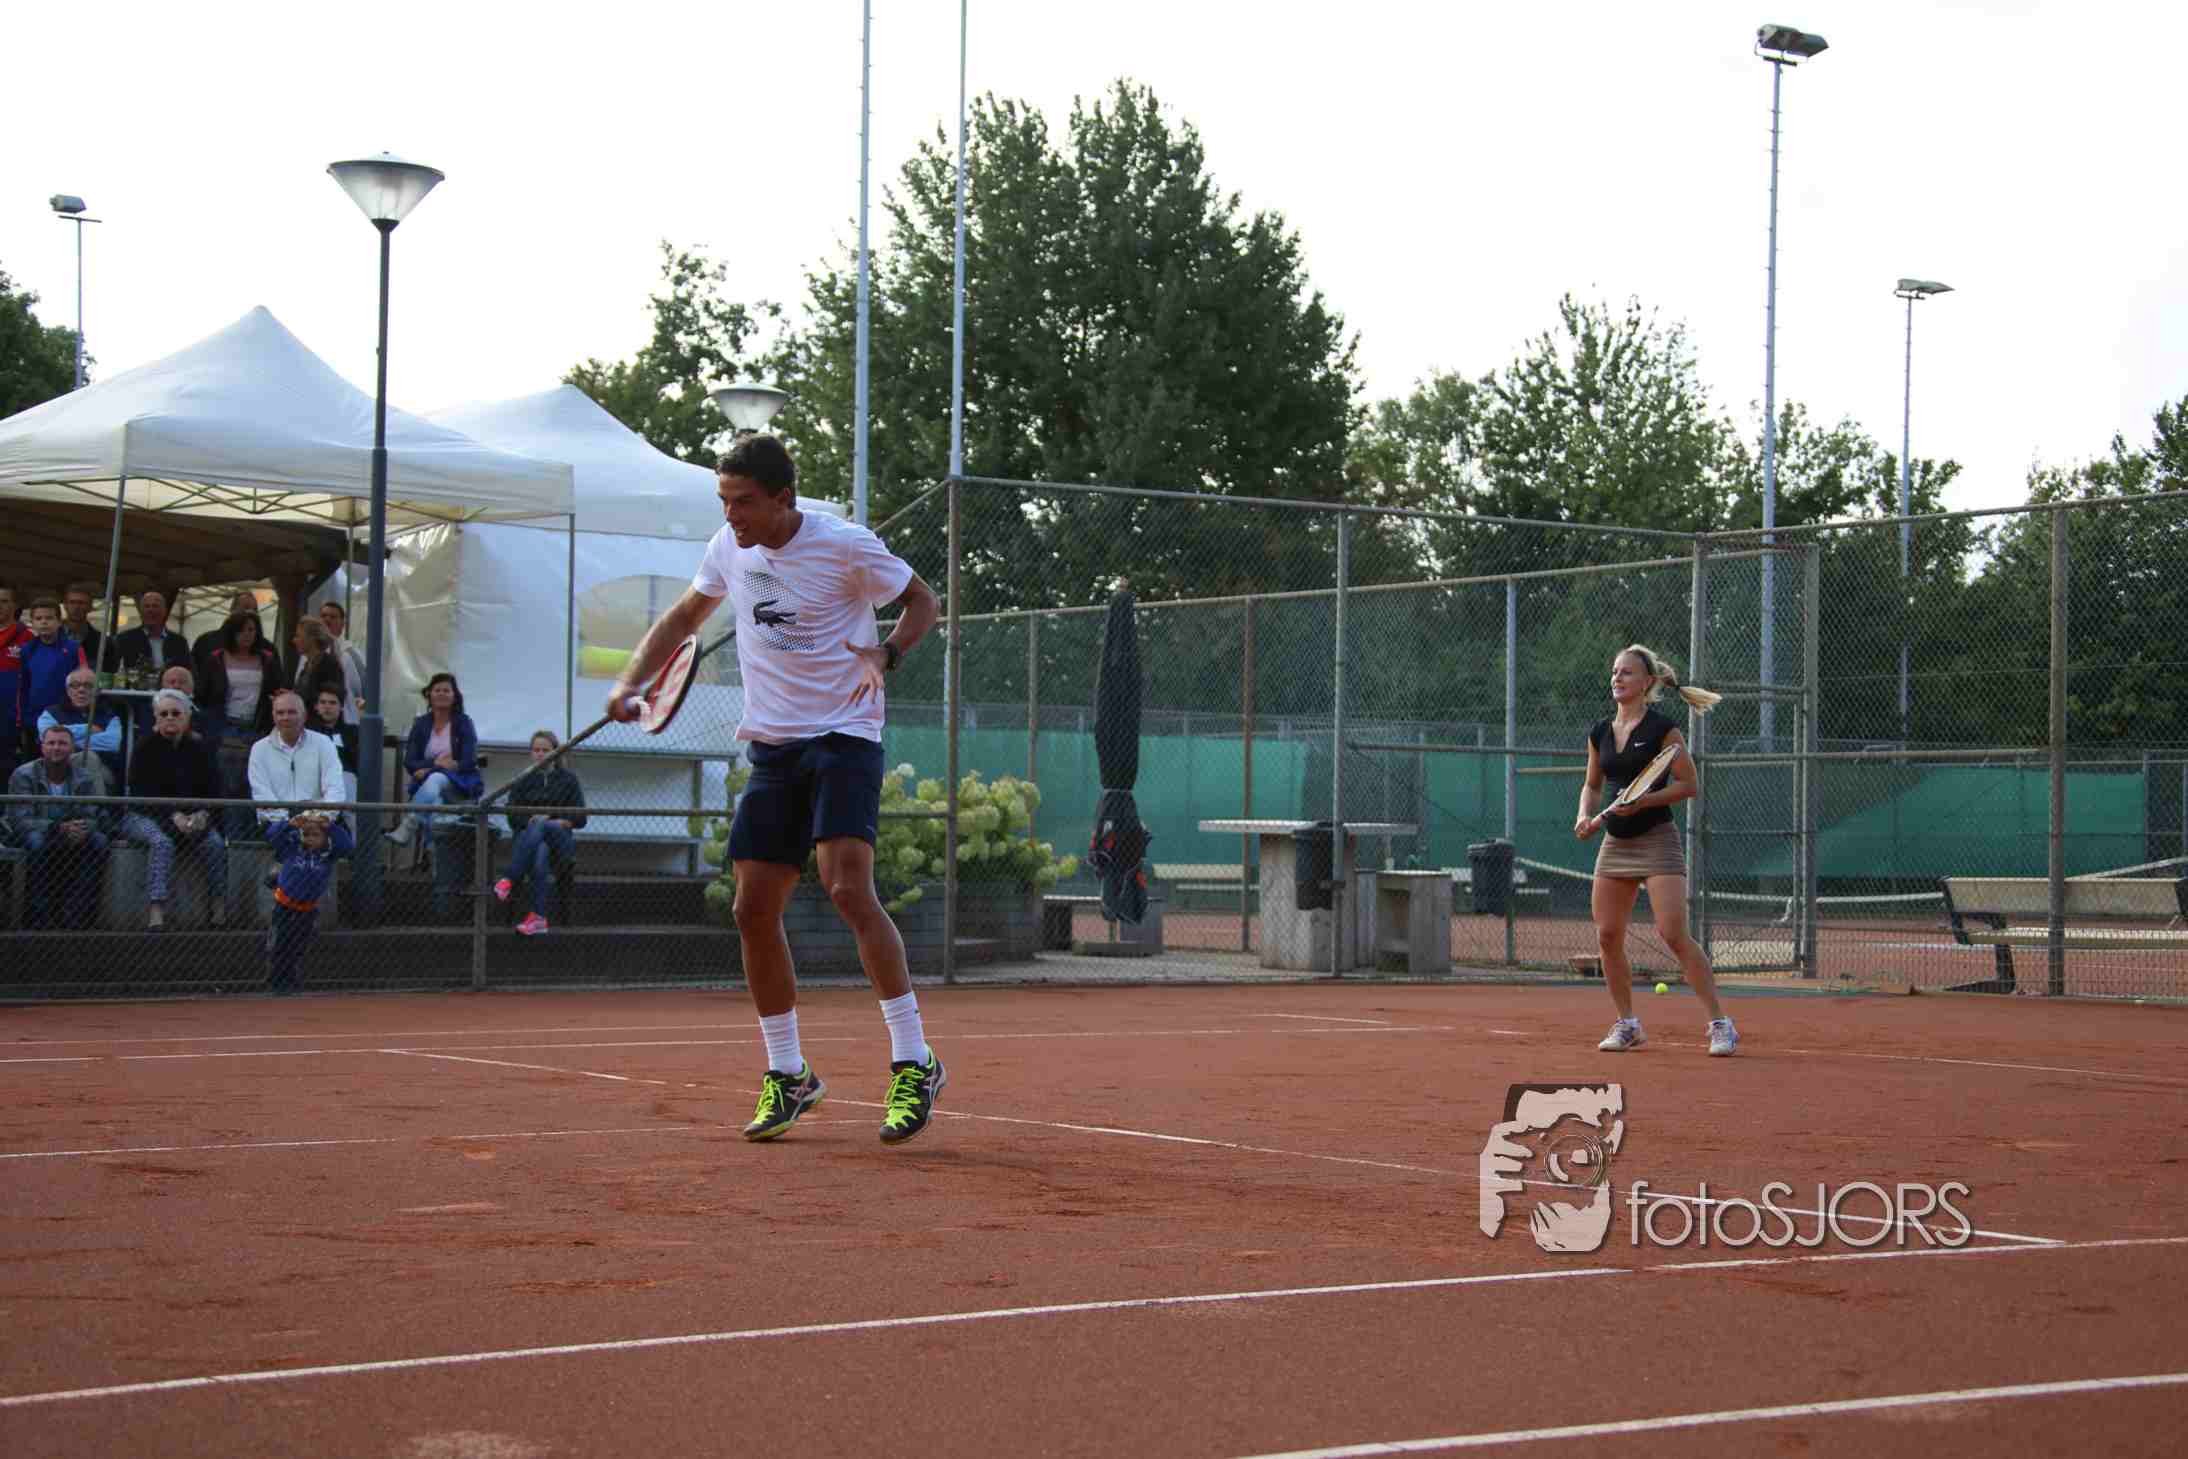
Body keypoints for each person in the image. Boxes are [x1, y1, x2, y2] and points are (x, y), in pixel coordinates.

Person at [607, 433, 944, 1145]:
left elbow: (923, 599)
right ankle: (789, 1073)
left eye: (744, 502)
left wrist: (887, 651)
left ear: (783, 498)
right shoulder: (727, 548)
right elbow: (682, 618)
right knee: (752, 907)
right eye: (724, 501)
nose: (732, 515)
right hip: (773, 744)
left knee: (847, 887)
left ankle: (915, 1060)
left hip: (845, 733)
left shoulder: (844, 544)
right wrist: (630, 680)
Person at [1575, 643, 1738, 1058]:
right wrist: (1584, 815)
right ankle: (1628, 1024)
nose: (1617, 677)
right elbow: (1592, 784)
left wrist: (1644, 801)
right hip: (1615, 843)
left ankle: (1721, 1025)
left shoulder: (1663, 730)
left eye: (1627, 672)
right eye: (1615, 671)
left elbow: (1688, 785)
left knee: (1673, 933)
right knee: (1607, 936)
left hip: (1657, 840)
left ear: (1647, 682)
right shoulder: (1599, 732)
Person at [122, 689, 228, 931]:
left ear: (187, 717)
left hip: (190, 816)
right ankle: (156, 912)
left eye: (176, 713)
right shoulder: (144, 747)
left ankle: (218, 907)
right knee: (161, 843)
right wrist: (173, 815)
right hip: (144, 815)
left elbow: (214, 790)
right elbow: (141, 793)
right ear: (156, 718)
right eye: (164, 714)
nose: (170, 718)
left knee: (215, 844)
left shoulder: (201, 749)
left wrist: (203, 813)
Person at [7, 724, 113, 929]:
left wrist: (82, 828)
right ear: (42, 747)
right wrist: (57, 828)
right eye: (51, 743)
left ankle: (78, 916)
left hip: (70, 832)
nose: (56, 748)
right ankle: (39, 917)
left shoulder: (84, 777)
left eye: (62, 743)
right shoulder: (24, 774)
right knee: (37, 841)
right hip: (35, 832)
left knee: (99, 841)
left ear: (72, 748)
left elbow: (92, 815)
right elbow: (20, 818)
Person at [494, 729, 587, 936]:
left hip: (559, 841)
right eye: (536, 750)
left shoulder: (568, 779)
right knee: (540, 852)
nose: (540, 754)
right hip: (531, 841)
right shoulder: (523, 779)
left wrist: (558, 821)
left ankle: (510, 878)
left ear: (556, 752)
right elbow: (512, 818)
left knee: (542, 824)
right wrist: (531, 820)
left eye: (545, 750)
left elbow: (581, 818)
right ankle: (538, 918)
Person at [197, 611, 283, 836]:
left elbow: (277, 689)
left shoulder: (267, 659)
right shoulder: (216, 659)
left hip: (258, 728)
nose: (247, 635)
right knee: (230, 783)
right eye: (241, 630)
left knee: (256, 782)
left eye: (251, 630)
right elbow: (203, 695)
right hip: (226, 728)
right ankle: (232, 836)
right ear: (231, 632)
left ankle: (254, 836)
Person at [391, 672, 482, 853]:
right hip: (429, 790)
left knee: (436, 778)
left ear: (454, 696)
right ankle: (435, 857)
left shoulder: (464, 722)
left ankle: (409, 823)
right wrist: (437, 764)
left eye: (446, 691)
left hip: (459, 787)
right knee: (435, 804)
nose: (441, 694)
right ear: (429, 694)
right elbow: (410, 762)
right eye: (437, 690)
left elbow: (469, 761)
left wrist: (431, 769)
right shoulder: (421, 724)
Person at [264, 812, 353, 995]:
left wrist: (331, 827)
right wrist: (290, 824)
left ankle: (292, 981)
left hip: (307, 910)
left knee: (297, 947)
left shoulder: (328, 855)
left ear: (325, 838)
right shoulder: (292, 848)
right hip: (284, 907)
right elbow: (272, 835)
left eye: (316, 835)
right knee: (279, 945)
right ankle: (276, 983)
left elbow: (347, 846)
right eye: (306, 834)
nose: (310, 839)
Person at [248, 690, 347, 833]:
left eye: (292, 712)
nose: (286, 717)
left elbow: (335, 788)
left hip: (318, 823)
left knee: (342, 840)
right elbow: (262, 794)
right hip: (277, 825)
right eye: (280, 713)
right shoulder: (259, 749)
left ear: (304, 716)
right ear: (273, 716)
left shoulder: (323, 743)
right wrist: (290, 821)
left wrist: (319, 817)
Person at [16, 598, 88, 758]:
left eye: (49, 618)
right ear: (32, 622)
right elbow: (23, 686)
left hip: (64, 718)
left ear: (59, 621)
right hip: (33, 718)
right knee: (34, 761)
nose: (44, 622)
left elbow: (84, 682)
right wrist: (23, 718)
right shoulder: (27, 650)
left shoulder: (73, 648)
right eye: (38, 618)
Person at [37, 667, 125, 789]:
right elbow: (47, 736)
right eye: (75, 685)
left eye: (88, 686)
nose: (81, 690)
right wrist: (88, 729)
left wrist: (67, 742)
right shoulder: (50, 714)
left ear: (97, 691)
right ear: (68, 690)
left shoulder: (109, 716)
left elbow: (112, 743)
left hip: (100, 768)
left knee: (90, 760)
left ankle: (92, 802)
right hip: (57, 765)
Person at [111, 590, 193, 679]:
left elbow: (190, 674)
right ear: (141, 612)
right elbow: (113, 671)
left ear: (164, 611)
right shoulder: (125, 639)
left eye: (155, 606)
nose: (150, 610)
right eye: (147, 606)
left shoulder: (179, 642)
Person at [317, 600, 368, 723]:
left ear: (343, 623)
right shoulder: (309, 654)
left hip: (344, 721)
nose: (327, 620)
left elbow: (364, 692)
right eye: (323, 616)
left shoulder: (350, 655)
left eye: (333, 617)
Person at [0, 584, 32, 780]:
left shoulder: (27, 636)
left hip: (11, 718)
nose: (0, 606)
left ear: (15, 605)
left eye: (4, 601)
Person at [193, 590, 262, 677]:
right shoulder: (205, 642)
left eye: (254, 610)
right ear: (232, 610)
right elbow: (196, 674)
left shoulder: (266, 648)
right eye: (246, 608)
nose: (250, 613)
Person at [310, 686, 360, 803]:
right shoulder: (308, 732)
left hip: (345, 780)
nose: (327, 707)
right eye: (323, 702)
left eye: (332, 703)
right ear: (316, 706)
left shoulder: (352, 732)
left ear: (341, 707)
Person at [61, 582, 103, 670]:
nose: (76, 607)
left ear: (90, 607)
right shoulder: (50, 636)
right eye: (72, 602)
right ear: (65, 605)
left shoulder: (101, 642)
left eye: (81, 603)